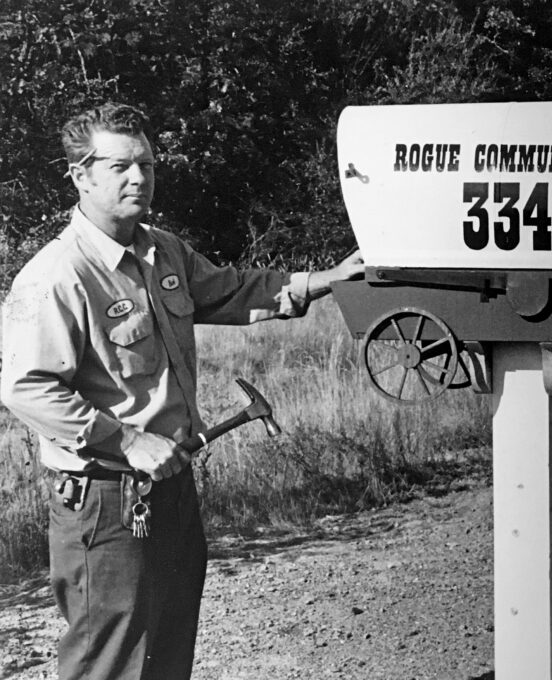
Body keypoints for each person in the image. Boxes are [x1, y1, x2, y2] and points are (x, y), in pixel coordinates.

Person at [0, 103, 364, 680]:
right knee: (110, 661)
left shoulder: (162, 250)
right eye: (119, 167)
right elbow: (26, 388)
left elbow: (231, 291)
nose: (138, 178)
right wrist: (127, 440)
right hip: (104, 499)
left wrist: (321, 281)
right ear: (80, 176)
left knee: (168, 652)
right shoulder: (57, 275)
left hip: (171, 488)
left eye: (145, 163)